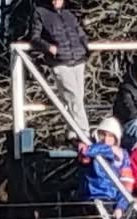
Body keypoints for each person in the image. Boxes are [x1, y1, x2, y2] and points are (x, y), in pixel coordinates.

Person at [28, 0, 90, 138]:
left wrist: (86, 47)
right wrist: (48, 47)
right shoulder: (40, 13)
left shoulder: (70, 15)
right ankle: (84, 133)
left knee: (76, 98)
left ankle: (73, 133)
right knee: (74, 97)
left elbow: (80, 34)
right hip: (60, 61)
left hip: (78, 60)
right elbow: (34, 38)